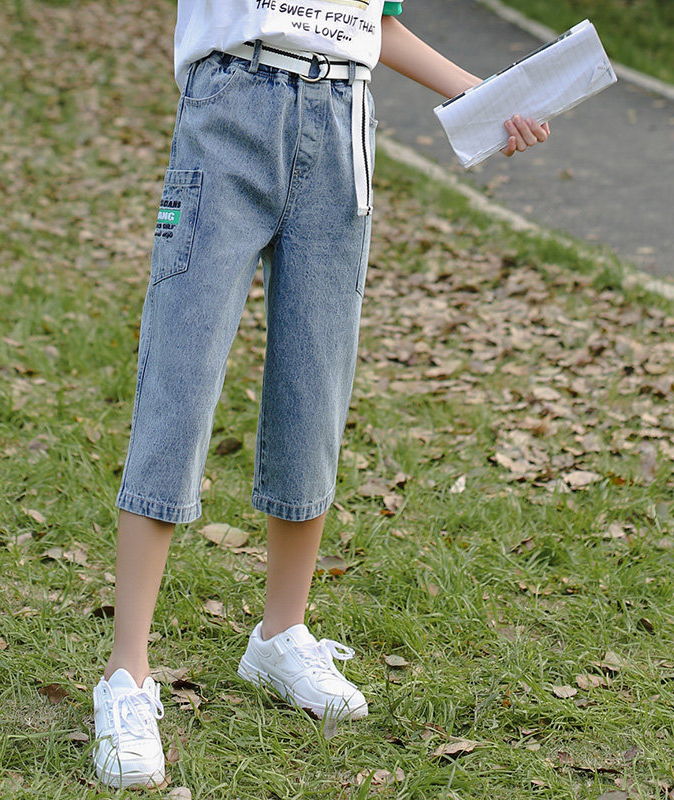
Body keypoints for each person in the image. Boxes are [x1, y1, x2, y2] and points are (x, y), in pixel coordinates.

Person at [91, 0, 550, 789]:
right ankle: (126, 679)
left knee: (315, 378)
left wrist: (485, 92)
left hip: (342, 126)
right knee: (181, 374)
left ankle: (281, 635)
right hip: (231, 106)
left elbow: (380, 23)